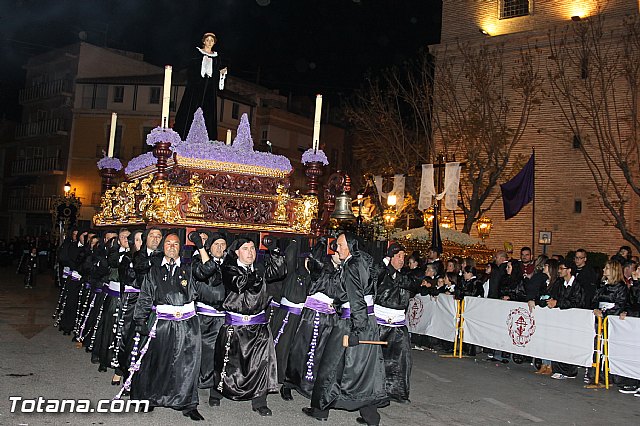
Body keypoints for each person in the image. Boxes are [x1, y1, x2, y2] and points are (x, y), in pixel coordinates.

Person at [131, 232, 220, 421]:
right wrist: (140, 320)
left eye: (176, 244)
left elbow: (209, 269)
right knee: (156, 362)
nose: (172, 246)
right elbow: (145, 296)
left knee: (188, 365)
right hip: (162, 323)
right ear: (163, 247)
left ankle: (188, 403)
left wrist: (200, 246)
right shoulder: (154, 270)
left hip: (187, 324)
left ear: (180, 247)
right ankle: (150, 399)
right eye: (168, 243)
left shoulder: (190, 268)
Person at [303, 232, 387, 426]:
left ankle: (320, 410)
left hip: (351, 323)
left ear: (350, 246)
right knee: (364, 368)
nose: (336, 249)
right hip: (367, 322)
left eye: (340, 245)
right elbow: (348, 290)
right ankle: (371, 416)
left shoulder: (351, 265)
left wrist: (357, 330)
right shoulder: (364, 262)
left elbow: (356, 298)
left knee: (330, 365)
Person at [211, 236, 287, 416]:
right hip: (235, 326)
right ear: (237, 252)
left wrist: (274, 251)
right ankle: (217, 391)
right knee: (227, 363)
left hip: (258, 326)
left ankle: (259, 401)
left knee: (260, 364)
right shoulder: (228, 269)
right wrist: (259, 275)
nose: (250, 252)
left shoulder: (259, 268)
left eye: (253, 248)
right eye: (245, 248)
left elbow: (279, 271)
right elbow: (240, 284)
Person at [285, 238, 342, 399]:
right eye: (336, 250)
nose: (339, 253)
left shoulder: (344, 270)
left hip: (331, 317)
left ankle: (313, 385)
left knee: (322, 353)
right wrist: (322, 244)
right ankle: (289, 382)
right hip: (312, 315)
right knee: (300, 349)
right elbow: (314, 261)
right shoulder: (321, 267)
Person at [373, 242, 422, 404]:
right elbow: (374, 280)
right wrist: (386, 268)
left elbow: (412, 285)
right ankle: (374, 391)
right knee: (377, 359)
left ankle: (397, 392)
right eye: (398, 256)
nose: (402, 260)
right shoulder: (381, 272)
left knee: (401, 361)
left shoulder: (406, 276)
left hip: (398, 324)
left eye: (403, 256)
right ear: (390, 257)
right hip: (381, 322)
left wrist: (393, 273)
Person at [270, 239, 310, 402]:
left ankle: (289, 383)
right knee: (281, 348)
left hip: (304, 318)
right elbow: (291, 256)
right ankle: (271, 377)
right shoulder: (294, 271)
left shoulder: (314, 277)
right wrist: (294, 241)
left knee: (297, 352)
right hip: (287, 317)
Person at [192, 231, 228, 406]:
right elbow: (205, 275)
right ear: (209, 247)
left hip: (223, 318)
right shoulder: (198, 263)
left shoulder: (230, 265)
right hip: (203, 317)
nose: (220, 248)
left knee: (220, 355)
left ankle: (216, 391)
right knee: (197, 352)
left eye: (223, 245)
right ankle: (192, 388)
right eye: (216, 245)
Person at [174, 32, 228, 140]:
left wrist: (222, 73)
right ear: (204, 41)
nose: (209, 42)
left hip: (209, 89)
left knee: (208, 113)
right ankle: (184, 136)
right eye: (207, 40)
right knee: (191, 110)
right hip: (196, 88)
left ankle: (208, 139)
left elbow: (217, 73)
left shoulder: (217, 57)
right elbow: (190, 69)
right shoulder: (196, 54)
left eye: (211, 41)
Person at [548, 260, 586, 380]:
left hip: (573, 319)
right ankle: (558, 368)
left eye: (561, 268)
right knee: (557, 342)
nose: (559, 271)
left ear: (569, 270)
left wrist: (558, 303)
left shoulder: (578, 285)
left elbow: (577, 302)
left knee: (568, 344)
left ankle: (569, 370)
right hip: (560, 318)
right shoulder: (559, 284)